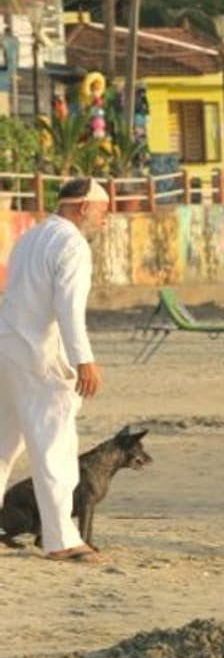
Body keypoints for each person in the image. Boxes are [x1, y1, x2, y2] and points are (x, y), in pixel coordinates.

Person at [0, 178, 110, 563]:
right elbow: (68, 307)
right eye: (103, 211)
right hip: (41, 355)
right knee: (56, 447)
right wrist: (84, 359)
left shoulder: (31, 236)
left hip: (8, 346)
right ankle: (61, 539)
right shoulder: (72, 244)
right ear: (83, 207)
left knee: (3, 443)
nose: (105, 220)